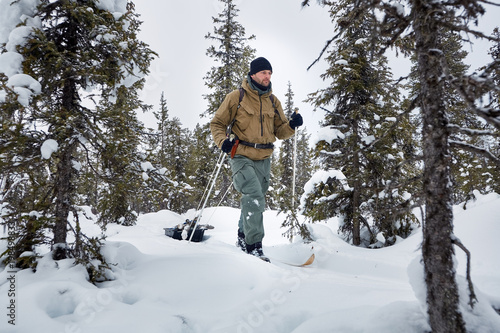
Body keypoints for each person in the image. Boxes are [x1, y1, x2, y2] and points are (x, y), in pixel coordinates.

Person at [210, 57, 303, 262]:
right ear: (252, 74)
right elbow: (217, 123)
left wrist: (293, 125)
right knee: (253, 196)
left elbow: (280, 131)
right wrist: (222, 141)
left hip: (264, 157)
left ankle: (243, 238)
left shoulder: (273, 101)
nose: (267, 77)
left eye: (269, 73)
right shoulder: (237, 97)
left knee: (255, 199)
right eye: (263, 73)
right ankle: (254, 247)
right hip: (241, 154)